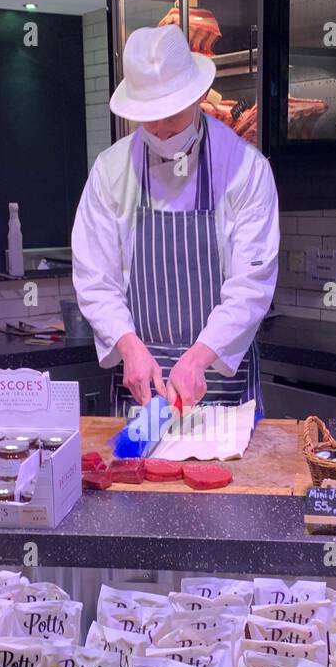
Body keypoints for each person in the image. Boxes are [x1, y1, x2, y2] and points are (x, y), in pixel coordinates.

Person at [71, 24, 279, 416]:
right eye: (149, 118)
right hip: (139, 389)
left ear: (199, 96)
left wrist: (199, 358)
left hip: (222, 389)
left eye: (172, 115)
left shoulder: (244, 169)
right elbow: (95, 278)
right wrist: (128, 345)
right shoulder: (111, 171)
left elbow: (251, 284)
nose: (162, 129)